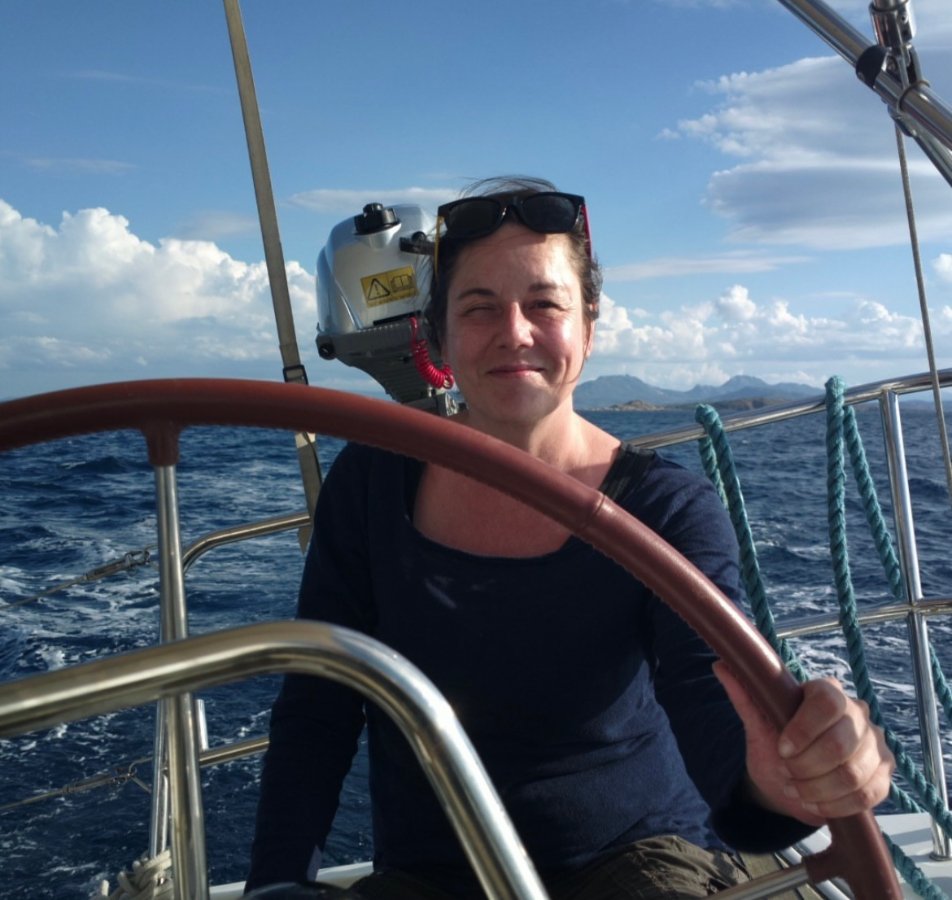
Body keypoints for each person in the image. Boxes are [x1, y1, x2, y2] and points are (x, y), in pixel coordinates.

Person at [245, 177, 894, 898]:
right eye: (479, 307)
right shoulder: (369, 484)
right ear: (439, 336)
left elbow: (705, 694)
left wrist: (779, 783)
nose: (514, 332)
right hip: (432, 877)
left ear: (588, 327)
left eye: (544, 304)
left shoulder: (665, 508)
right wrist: (276, 883)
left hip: (639, 859)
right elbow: (319, 706)